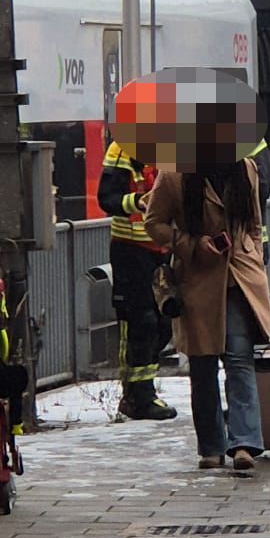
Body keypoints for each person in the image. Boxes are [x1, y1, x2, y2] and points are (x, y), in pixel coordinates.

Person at [144, 134, 270, 475]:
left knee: (239, 357)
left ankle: (244, 443)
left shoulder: (245, 169)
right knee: (202, 366)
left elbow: (255, 225)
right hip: (197, 281)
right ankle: (211, 447)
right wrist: (191, 244)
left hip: (240, 279)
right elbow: (153, 224)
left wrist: (253, 254)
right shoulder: (174, 173)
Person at [98, 138, 177, 422]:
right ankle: (137, 397)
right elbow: (106, 199)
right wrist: (137, 202)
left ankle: (143, 390)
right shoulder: (120, 151)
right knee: (139, 321)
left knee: (164, 323)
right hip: (130, 249)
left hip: (165, 250)